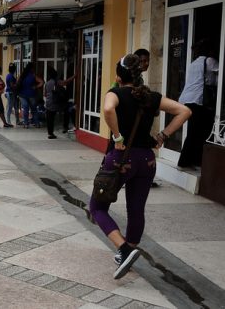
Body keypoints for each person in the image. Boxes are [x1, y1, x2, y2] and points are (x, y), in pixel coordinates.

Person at [89, 54, 190, 280]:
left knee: (97, 207)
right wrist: (163, 135)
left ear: (118, 76)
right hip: (147, 160)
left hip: (121, 159)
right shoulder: (150, 97)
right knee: (136, 210)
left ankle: (125, 250)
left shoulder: (115, 93)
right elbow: (185, 111)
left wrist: (117, 137)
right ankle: (130, 249)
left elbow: (107, 110)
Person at [177, 39, 219, 169]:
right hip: (198, 100)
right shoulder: (210, 61)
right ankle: (185, 162)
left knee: (194, 131)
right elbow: (218, 77)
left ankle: (190, 161)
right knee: (199, 132)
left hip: (188, 99)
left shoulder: (193, 63)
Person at [44, 67, 76, 139]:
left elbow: (45, 94)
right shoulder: (57, 82)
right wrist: (74, 76)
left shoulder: (47, 83)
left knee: (50, 119)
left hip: (48, 103)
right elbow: (66, 82)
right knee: (67, 109)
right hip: (57, 103)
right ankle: (65, 126)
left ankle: (50, 133)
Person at [16, 62, 43, 128]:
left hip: (22, 95)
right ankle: (37, 123)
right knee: (34, 109)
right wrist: (36, 86)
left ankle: (26, 124)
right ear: (31, 68)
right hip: (31, 94)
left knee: (25, 109)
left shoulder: (21, 75)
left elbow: (17, 83)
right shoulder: (33, 75)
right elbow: (42, 82)